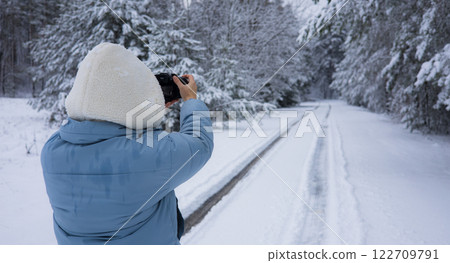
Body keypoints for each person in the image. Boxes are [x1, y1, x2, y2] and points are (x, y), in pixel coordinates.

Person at [40, 43, 214, 245]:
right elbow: (200, 143)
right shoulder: (148, 153)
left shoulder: (52, 150)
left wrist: (146, 107)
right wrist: (191, 100)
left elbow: (106, 124)